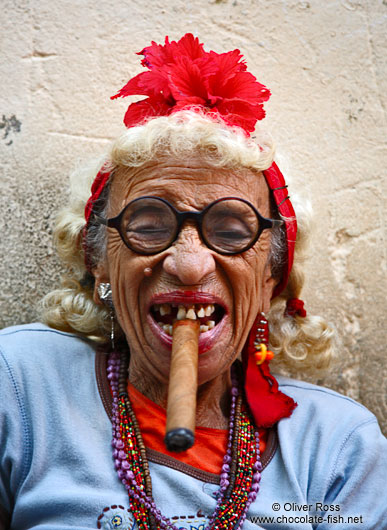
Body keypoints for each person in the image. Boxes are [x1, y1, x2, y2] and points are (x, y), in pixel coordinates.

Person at [0, 34, 386, 530]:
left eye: (230, 231)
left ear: (272, 277)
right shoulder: (19, 384)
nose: (189, 265)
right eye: (148, 225)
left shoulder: (337, 449)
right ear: (97, 259)